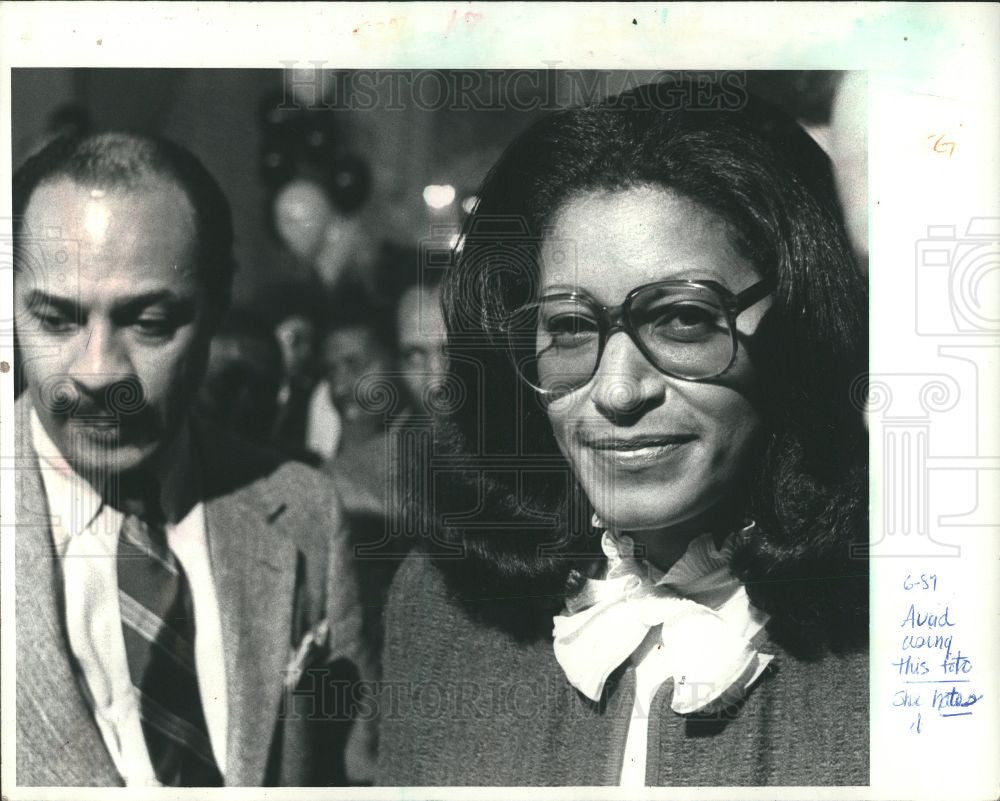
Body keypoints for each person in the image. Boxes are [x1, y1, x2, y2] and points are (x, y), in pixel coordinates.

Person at [376, 81, 869, 786]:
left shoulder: (908, 613)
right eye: (571, 328)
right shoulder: (444, 610)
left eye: (683, 319)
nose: (616, 390)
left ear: (802, 319)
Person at [11, 132, 367, 787]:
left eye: (148, 322)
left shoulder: (304, 510)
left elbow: (352, 774)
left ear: (216, 307)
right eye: (57, 320)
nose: (98, 371)